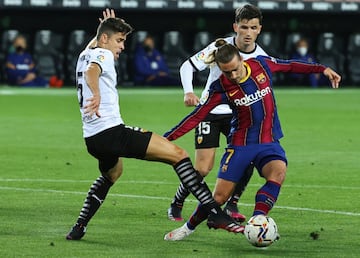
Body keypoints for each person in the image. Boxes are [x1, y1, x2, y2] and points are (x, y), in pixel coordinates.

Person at [66, 9, 243, 241]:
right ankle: (215, 213)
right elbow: (93, 71)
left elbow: (91, 56)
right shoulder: (102, 55)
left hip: (93, 139)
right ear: (104, 40)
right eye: (119, 41)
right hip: (112, 133)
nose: (121, 47)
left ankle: (79, 227)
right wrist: (97, 94)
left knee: (113, 173)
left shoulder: (85, 54)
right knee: (178, 154)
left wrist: (104, 27)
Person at [163, 39, 341, 241]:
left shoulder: (261, 64)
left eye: (234, 69)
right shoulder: (220, 87)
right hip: (241, 145)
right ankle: (188, 228)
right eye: (226, 72)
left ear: (241, 59)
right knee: (219, 198)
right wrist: (164, 139)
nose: (232, 75)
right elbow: (196, 116)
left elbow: (290, 65)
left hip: (269, 141)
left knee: (278, 172)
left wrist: (322, 69)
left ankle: (258, 219)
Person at [167, 4, 267, 223]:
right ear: (235, 27)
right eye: (243, 27)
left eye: (253, 27)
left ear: (259, 29)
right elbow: (187, 66)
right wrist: (188, 92)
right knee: (202, 169)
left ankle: (232, 204)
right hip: (210, 112)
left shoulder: (261, 59)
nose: (247, 33)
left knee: (246, 159)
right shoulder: (220, 47)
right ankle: (177, 201)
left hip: (238, 116)